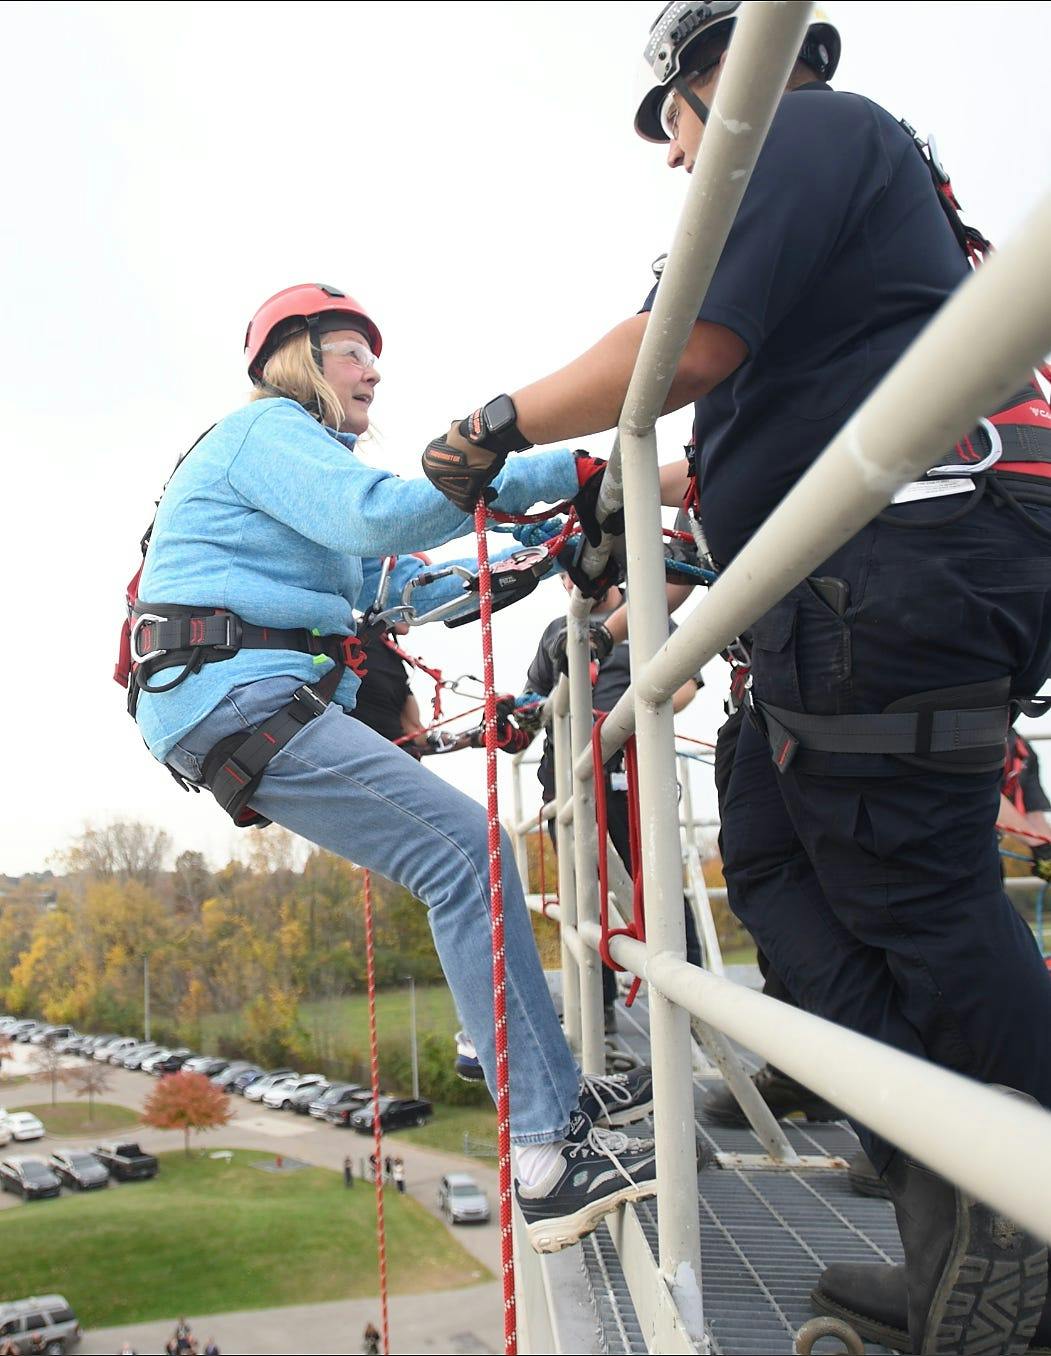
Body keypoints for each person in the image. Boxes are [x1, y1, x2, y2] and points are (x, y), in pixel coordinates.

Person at [421, 5, 1051, 1347]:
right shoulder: (850, 209)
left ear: (720, 84)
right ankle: (951, 1210)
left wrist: (492, 424)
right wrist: (620, 515)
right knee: (765, 846)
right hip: (861, 568)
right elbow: (742, 417)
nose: (670, 160)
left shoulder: (807, 130)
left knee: (915, 895)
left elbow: (685, 345)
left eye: (672, 126)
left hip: (906, 550)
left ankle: (1020, 1218)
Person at [126, 282, 665, 1253]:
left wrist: (557, 526)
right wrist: (560, 464)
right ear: (297, 359)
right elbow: (387, 516)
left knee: (466, 858)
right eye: (349, 350)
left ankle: (551, 1100)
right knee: (464, 856)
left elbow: (419, 576)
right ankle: (544, 1154)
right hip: (233, 693)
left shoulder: (306, 484)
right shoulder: (269, 434)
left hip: (232, 697)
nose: (372, 369)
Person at [525, 574, 705, 1032]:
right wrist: (511, 720)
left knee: (655, 879)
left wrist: (628, 716)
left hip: (630, 765)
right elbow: (533, 699)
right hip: (567, 774)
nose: (572, 580)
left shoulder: (652, 612)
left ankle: (692, 998)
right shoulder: (555, 631)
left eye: (578, 567)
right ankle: (596, 1008)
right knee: (582, 892)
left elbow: (684, 686)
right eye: (564, 573)